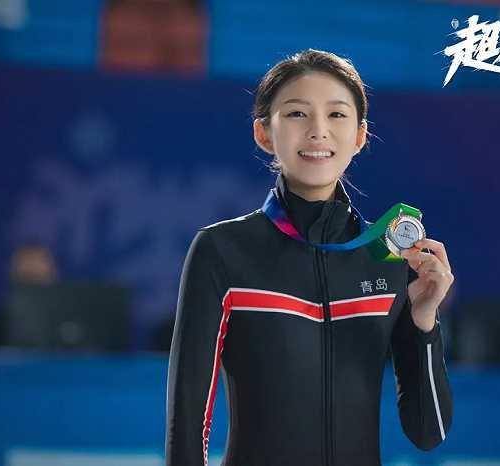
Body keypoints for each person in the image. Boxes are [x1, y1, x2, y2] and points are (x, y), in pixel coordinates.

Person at [165, 49, 454, 466]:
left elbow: (428, 433)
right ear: (264, 133)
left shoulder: (388, 257)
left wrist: (424, 320)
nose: (319, 131)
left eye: (336, 115)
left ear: (360, 135)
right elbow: (188, 421)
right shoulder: (222, 250)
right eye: (297, 114)